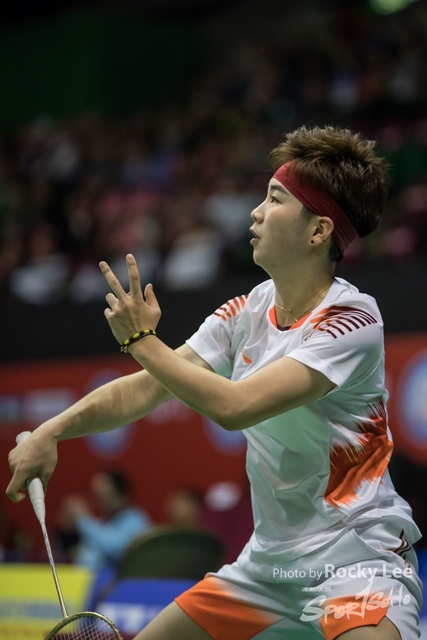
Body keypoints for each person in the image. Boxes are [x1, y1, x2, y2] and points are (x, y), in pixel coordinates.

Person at [7, 126, 423, 640]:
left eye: (275, 199)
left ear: (318, 231)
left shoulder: (352, 320)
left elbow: (236, 406)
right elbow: (144, 388)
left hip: (357, 561)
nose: (256, 213)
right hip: (267, 572)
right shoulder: (245, 311)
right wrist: (51, 431)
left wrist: (140, 339)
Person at [56, 469, 151, 571]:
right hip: (87, 578)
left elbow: (114, 549)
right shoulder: (102, 522)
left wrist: (82, 518)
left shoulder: (136, 520)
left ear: (120, 492)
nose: (98, 495)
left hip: (120, 580)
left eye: (104, 489)